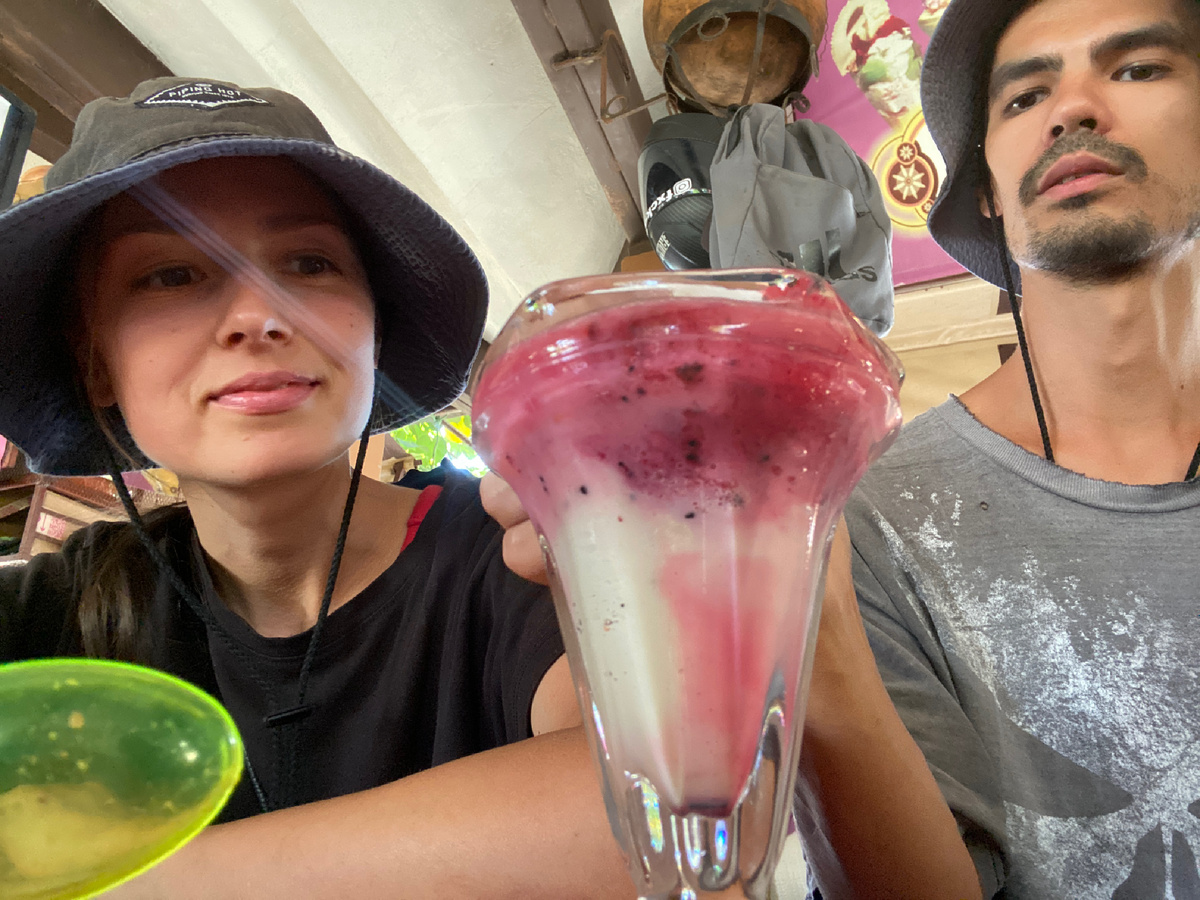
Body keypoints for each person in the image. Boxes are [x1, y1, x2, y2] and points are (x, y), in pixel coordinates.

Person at [493, 0, 1200, 896]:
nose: (1073, 108)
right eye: (1023, 98)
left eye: (1137, 68)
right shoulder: (845, 515)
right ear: (985, 185)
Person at [0, 77, 635, 898]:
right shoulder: (54, 614)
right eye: (170, 275)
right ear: (95, 362)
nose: (258, 315)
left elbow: (654, 821)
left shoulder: (521, 552)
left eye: (309, 263)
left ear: (374, 331)